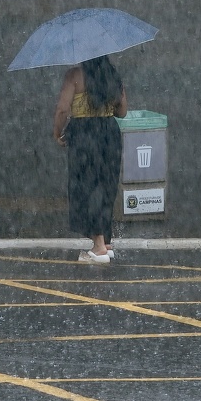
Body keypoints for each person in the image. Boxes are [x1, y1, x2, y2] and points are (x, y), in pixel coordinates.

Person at [52, 55, 128, 263]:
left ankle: (99, 247)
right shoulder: (112, 75)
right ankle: (106, 239)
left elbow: (62, 109)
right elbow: (122, 111)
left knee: (87, 186)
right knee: (106, 184)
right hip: (109, 134)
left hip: (84, 136)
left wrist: (57, 132)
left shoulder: (75, 76)